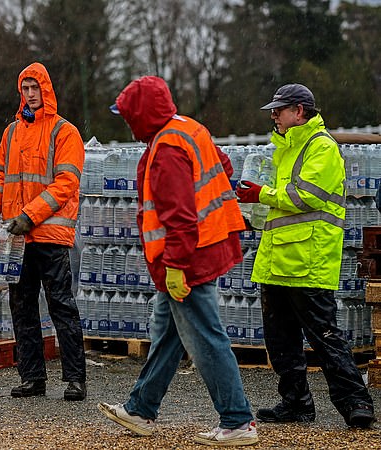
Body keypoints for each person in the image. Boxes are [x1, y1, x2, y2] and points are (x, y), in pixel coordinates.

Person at [97, 76, 258, 446]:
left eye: (127, 115)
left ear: (141, 115)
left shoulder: (166, 151)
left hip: (188, 260)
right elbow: (224, 168)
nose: (125, 122)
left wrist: (175, 267)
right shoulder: (186, 129)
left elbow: (180, 219)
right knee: (170, 336)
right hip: (206, 247)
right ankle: (140, 409)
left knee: (205, 337)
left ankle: (237, 420)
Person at [235, 83, 376, 428]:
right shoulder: (284, 148)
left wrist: (261, 194)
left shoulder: (321, 147)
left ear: (299, 112)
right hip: (277, 258)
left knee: (325, 337)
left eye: (279, 110)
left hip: (308, 259)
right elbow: (279, 206)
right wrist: (253, 206)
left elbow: (306, 196)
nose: (273, 116)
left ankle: (357, 403)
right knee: (280, 340)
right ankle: (296, 403)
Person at [0, 62, 87, 401]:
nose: (29, 95)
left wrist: (29, 215)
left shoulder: (64, 132)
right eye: (25, 89)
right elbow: (2, 177)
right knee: (22, 308)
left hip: (50, 237)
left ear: (46, 91)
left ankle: (75, 379)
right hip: (18, 237)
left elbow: (66, 184)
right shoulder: (11, 133)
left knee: (61, 307)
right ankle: (32, 378)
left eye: (34, 88)